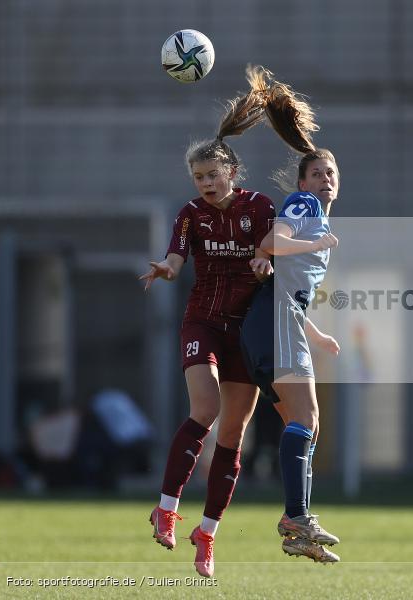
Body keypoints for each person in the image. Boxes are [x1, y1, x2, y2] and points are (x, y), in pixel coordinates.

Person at [139, 83, 275, 578]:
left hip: (247, 331)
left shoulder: (259, 208)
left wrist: (265, 257)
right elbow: (177, 255)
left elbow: (275, 247)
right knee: (205, 408)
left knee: (234, 433)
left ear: (231, 172)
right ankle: (166, 507)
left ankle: (208, 534)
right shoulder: (190, 214)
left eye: (212, 174)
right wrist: (168, 268)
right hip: (203, 320)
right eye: (198, 177)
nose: (204, 184)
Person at [237, 66, 342, 563]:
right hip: (273, 327)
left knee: (302, 425)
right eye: (318, 172)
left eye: (331, 174)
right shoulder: (305, 207)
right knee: (308, 418)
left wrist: (316, 333)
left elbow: (286, 281)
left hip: (273, 325)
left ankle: (297, 525)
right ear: (303, 180)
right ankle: (295, 516)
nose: (325, 180)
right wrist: (315, 239)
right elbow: (273, 241)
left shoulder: (316, 212)